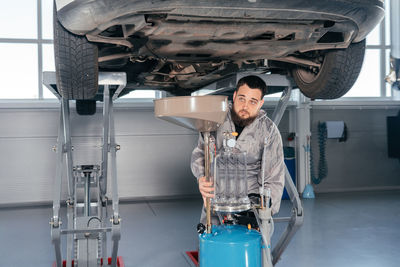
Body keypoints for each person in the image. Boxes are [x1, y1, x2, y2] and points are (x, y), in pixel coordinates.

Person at [190, 75, 285, 225]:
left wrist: (264, 210)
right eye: (242, 99)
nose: (245, 106)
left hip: (249, 204)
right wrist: (201, 178)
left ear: (261, 103)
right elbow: (200, 154)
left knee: (247, 246)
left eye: (252, 102)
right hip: (217, 200)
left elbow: (274, 178)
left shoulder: (268, 131)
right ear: (234, 96)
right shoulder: (215, 119)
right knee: (211, 243)